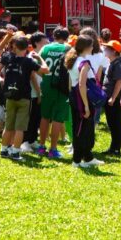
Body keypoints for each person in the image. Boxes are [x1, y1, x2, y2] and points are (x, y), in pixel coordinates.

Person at [0, 36, 46, 161]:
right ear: (27, 47)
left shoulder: (8, 58)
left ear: (14, 46)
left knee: (8, 126)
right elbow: (45, 70)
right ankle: (15, 152)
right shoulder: (28, 61)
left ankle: (4, 150)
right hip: (24, 97)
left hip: (10, 96)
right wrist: (40, 58)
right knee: (20, 128)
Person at [65, 35, 103, 168]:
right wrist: (86, 105)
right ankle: (77, 160)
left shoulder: (72, 60)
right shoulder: (84, 63)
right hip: (82, 97)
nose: (93, 48)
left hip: (74, 96)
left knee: (79, 127)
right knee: (83, 129)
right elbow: (82, 84)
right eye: (91, 45)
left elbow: (71, 82)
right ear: (86, 47)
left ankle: (87, 157)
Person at [35, 27, 69, 159]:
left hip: (46, 87)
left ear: (53, 36)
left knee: (45, 117)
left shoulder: (45, 48)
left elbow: (38, 69)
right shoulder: (68, 49)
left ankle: (41, 146)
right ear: (67, 36)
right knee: (57, 118)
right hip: (62, 88)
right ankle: (53, 149)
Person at [23, 32, 49, 154]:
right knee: (30, 118)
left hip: (38, 93)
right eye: (45, 42)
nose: (47, 43)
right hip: (32, 93)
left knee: (36, 117)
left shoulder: (39, 56)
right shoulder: (32, 57)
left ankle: (32, 140)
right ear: (37, 43)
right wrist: (39, 93)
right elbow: (32, 76)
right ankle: (25, 142)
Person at [102, 40, 121, 156]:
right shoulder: (113, 62)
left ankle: (116, 148)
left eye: (108, 48)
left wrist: (113, 97)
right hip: (109, 97)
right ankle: (113, 147)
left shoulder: (118, 64)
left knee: (115, 123)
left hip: (114, 99)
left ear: (114, 51)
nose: (105, 50)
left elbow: (119, 82)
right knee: (111, 123)